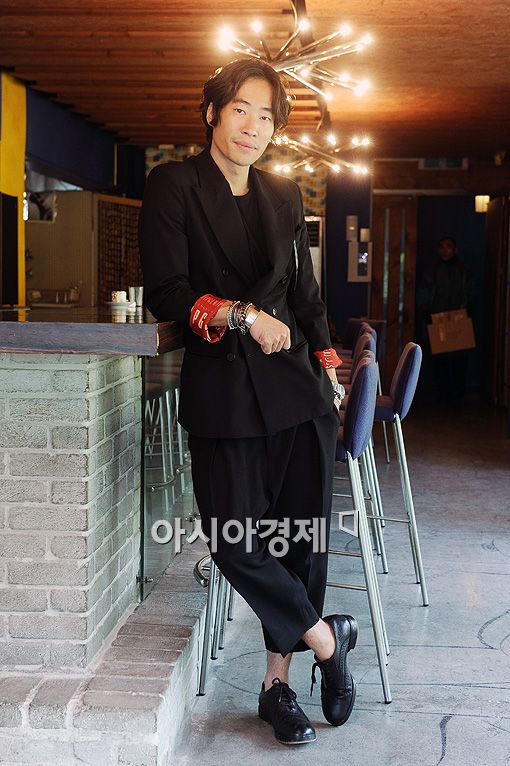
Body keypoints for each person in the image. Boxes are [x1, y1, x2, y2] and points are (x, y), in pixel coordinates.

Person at [139, 58, 358, 746]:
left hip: (298, 393)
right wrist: (241, 315)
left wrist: (331, 370)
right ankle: (327, 640)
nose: (253, 126)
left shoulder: (285, 194)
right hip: (225, 392)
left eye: (266, 116)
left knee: (300, 543)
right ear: (212, 112)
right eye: (241, 109)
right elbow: (166, 291)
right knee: (234, 539)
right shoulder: (174, 185)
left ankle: (277, 687)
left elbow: (306, 298)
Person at [417, 236, 474, 403]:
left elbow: (470, 293)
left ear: (455, 250)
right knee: (440, 361)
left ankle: (457, 395)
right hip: (438, 320)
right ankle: (443, 394)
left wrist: (466, 312)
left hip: (459, 319)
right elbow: (425, 293)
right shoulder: (433, 270)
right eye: (442, 247)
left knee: (459, 360)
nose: (445, 250)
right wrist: (428, 313)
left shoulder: (463, 270)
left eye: (448, 247)